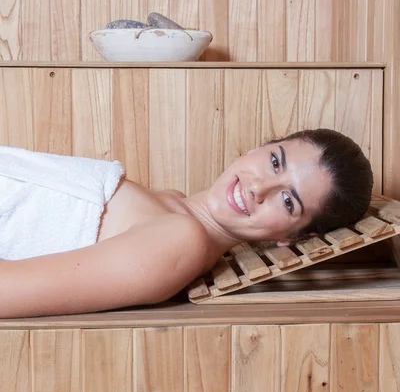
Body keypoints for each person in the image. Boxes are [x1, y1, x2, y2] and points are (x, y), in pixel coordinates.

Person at [0, 128, 373, 318]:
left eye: (288, 200)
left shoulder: (181, 241)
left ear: (292, 236)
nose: (258, 188)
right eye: (275, 162)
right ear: (260, 146)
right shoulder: (175, 204)